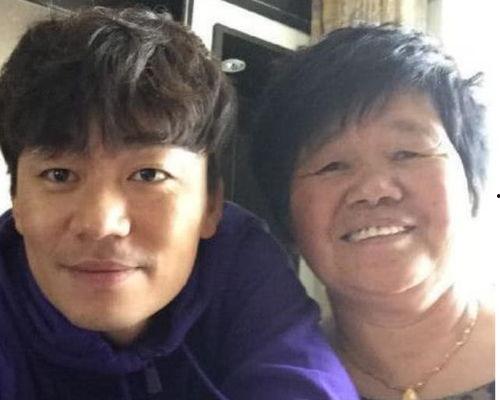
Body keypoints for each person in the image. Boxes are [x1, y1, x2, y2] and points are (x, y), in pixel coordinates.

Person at [0, 7, 359, 400]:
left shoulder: (238, 263)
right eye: (59, 175)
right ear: (17, 201)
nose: (101, 222)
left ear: (211, 205)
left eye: (148, 175)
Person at [252, 24, 495, 400]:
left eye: (406, 153)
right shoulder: (271, 380)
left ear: (473, 182)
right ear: (287, 216)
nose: (374, 190)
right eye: (332, 165)